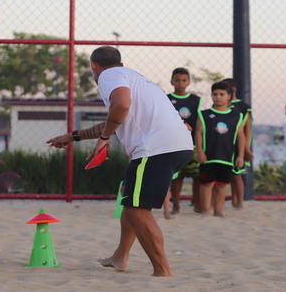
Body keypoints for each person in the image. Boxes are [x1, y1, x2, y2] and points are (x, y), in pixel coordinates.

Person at [46, 46, 193, 277]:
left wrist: (103, 139)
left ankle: (163, 271)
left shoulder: (108, 75)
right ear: (121, 63)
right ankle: (120, 257)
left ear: (94, 65)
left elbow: (121, 106)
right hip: (178, 146)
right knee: (131, 201)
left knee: (138, 211)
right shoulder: (135, 77)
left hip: (155, 149)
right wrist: (73, 136)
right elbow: (118, 119)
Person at [194, 81, 245, 217]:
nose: (218, 97)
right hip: (208, 156)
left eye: (221, 94)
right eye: (215, 94)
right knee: (206, 184)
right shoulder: (204, 115)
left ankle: (218, 210)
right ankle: (206, 210)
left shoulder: (236, 116)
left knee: (222, 185)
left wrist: (240, 155)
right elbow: (198, 133)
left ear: (229, 96)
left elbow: (241, 136)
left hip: (227, 157)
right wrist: (199, 151)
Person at [166, 67, 203, 215]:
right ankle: (176, 205)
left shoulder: (196, 100)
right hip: (174, 144)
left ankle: (197, 203)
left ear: (188, 82)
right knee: (176, 177)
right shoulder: (166, 99)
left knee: (197, 175)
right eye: (177, 80)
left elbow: (200, 123)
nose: (180, 83)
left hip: (192, 143)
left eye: (184, 80)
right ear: (172, 81)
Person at [220, 78, 253, 209]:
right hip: (223, 144)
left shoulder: (243, 107)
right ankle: (229, 201)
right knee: (225, 175)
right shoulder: (221, 105)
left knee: (236, 174)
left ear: (233, 91)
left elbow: (247, 129)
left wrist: (246, 149)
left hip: (237, 145)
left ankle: (239, 202)